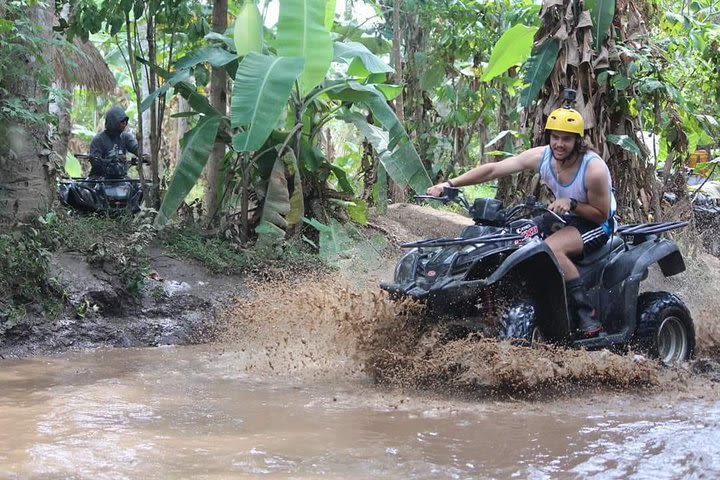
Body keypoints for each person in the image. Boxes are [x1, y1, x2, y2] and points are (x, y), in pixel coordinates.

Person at [426, 95, 615, 338]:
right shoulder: (543, 156)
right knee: (512, 236)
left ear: (578, 140)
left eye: (566, 139)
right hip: (564, 216)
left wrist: (573, 203)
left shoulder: (593, 169)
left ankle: (585, 315)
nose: (559, 144)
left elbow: (601, 214)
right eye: (555, 137)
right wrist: (449, 183)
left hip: (596, 223)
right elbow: (495, 169)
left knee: (551, 250)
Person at [88, 106, 139, 177]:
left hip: (121, 178)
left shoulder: (125, 137)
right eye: (121, 121)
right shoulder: (98, 139)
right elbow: (95, 161)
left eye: (125, 121)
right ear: (112, 122)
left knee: (141, 187)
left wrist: (144, 155)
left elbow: (135, 148)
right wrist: (113, 160)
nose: (124, 123)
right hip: (100, 178)